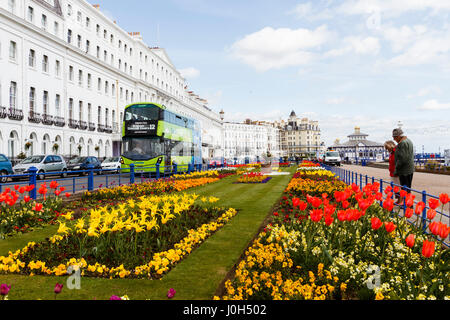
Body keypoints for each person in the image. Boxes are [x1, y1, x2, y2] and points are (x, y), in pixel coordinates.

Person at [392, 128, 415, 202]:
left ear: (399, 136)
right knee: (408, 188)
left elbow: (402, 159)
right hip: (410, 169)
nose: (394, 139)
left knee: (405, 189)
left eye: (395, 137)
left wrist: (396, 170)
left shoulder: (402, 143)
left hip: (404, 170)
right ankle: (408, 204)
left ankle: (408, 205)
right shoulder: (409, 141)